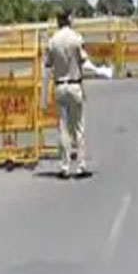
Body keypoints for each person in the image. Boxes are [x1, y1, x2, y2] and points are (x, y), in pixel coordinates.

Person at [45, 11, 92, 178]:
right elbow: (84, 62)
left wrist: (44, 96)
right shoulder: (76, 38)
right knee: (78, 127)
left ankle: (64, 166)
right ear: (69, 20)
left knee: (63, 127)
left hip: (60, 86)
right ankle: (81, 165)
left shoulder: (52, 41)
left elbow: (48, 65)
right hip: (74, 85)